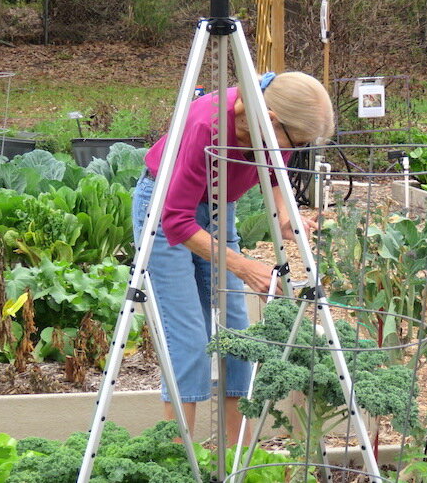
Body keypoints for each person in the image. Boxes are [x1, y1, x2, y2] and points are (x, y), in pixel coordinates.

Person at [132, 71, 334, 444]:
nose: (296, 149)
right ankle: (180, 458)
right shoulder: (205, 126)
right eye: (297, 141)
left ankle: (234, 455)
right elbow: (176, 220)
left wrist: (286, 216)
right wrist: (242, 266)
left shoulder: (271, 123)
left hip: (218, 208)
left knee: (238, 332)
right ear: (270, 120)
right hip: (163, 208)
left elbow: (274, 170)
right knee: (189, 337)